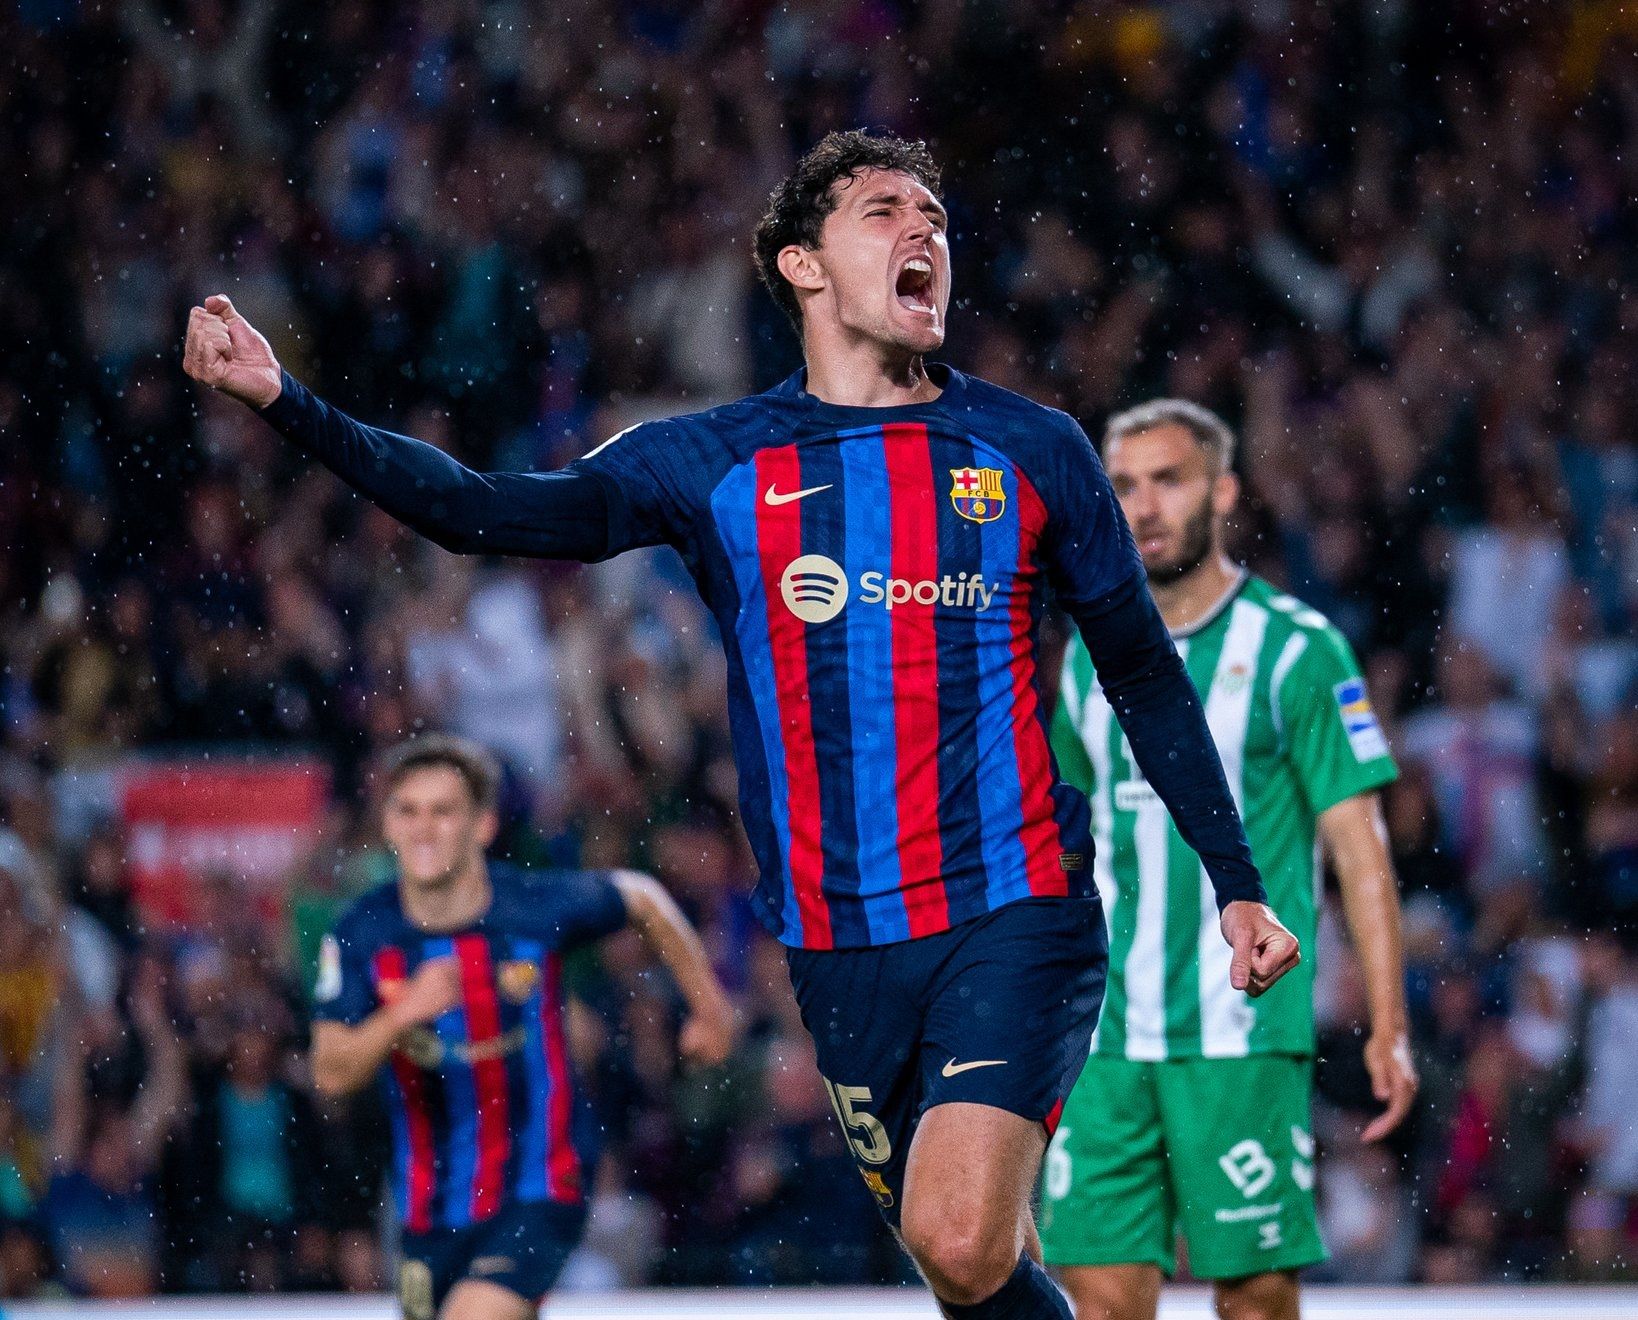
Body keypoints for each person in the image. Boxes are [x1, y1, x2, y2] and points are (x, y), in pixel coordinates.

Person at [184, 130, 1300, 1320]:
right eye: (883, 212)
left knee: (960, 1235)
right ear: (801, 266)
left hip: (1015, 904)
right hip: (835, 943)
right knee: (964, 1272)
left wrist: (1234, 877)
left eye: (935, 215)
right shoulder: (711, 460)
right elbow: (478, 512)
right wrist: (285, 401)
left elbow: (1141, 669)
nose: (925, 232)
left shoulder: (1033, 449)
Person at [1038, 400, 1418, 1320]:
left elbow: (1360, 852)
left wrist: (1389, 1019)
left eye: (1170, 479)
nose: (1144, 506)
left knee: (1254, 1298)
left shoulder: (1299, 648)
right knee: (1101, 1294)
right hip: (1102, 1038)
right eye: (1124, 486)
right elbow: (1062, 844)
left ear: (1227, 491)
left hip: (1240, 1031)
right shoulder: (1088, 657)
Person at [309, 735, 734, 1320]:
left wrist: (711, 1010)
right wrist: (404, 1013)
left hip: (540, 1184)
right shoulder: (360, 933)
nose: (423, 828)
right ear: (387, 825)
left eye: (443, 810)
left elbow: (643, 898)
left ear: (481, 826)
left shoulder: (533, 905)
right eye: (407, 810)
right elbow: (330, 1072)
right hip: (426, 1208)